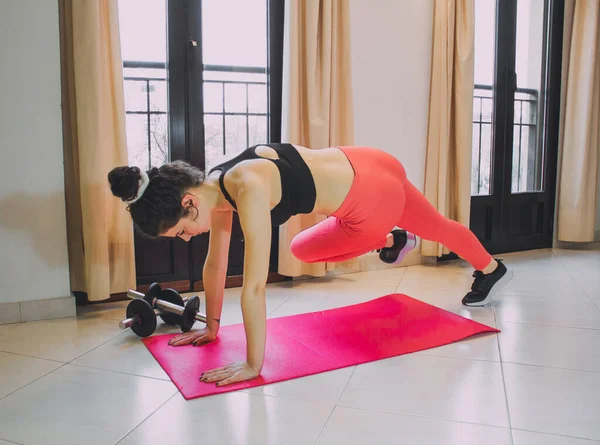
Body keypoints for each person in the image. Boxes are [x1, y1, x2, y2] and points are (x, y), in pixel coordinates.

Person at [108, 144, 512, 386]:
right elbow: (215, 264)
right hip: (370, 162)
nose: (186, 238)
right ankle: (490, 267)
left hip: (370, 200)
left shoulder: (247, 189)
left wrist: (252, 364)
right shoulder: (216, 183)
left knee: (302, 250)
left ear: (187, 202)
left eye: (180, 231)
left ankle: (389, 238)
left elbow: (253, 286)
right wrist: (212, 328)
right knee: (439, 226)